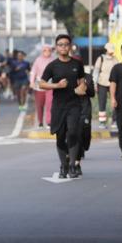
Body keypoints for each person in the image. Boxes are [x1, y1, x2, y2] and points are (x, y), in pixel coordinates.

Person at [39, 33, 87, 179]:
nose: (63, 47)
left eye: (66, 44)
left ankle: (72, 165)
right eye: (60, 45)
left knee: (73, 133)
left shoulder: (77, 64)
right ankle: (63, 165)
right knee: (60, 136)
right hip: (59, 105)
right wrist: (57, 85)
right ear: (56, 48)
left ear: (70, 46)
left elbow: (82, 82)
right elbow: (41, 83)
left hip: (74, 105)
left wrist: (82, 88)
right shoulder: (52, 66)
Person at [92, 43, 118, 128]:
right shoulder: (101, 58)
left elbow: (119, 72)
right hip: (102, 83)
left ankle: (115, 120)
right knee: (102, 102)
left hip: (113, 83)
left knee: (115, 101)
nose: (111, 53)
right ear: (106, 50)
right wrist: (94, 83)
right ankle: (102, 122)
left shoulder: (115, 59)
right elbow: (96, 71)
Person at [29, 44, 54, 128]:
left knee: (49, 103)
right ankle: (40, 121)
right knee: (40, 105)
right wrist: (31, 82)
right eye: (45, 50)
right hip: (39, 86)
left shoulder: (54, 60)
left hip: (50, 85)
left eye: (49, 50)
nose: (47, 52)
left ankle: (49, 121)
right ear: (42, 51)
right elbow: (33, 72)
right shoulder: (38, 60)